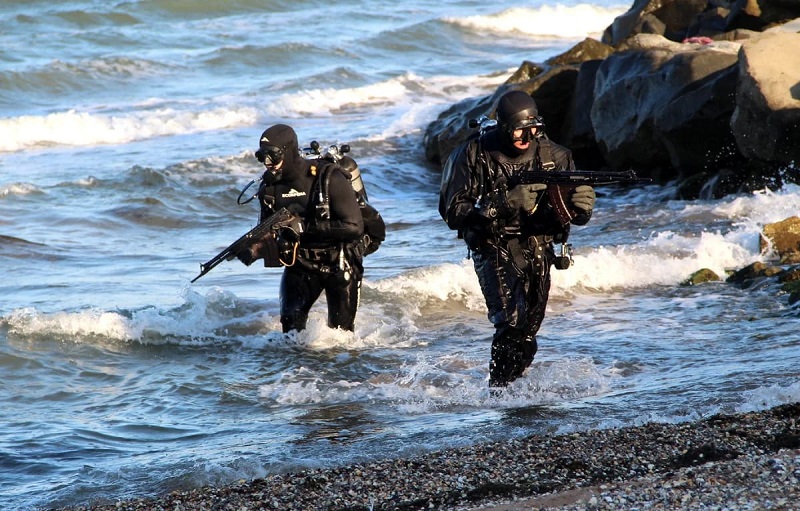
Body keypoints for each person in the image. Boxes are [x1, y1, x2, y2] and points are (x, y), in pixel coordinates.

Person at [439, 90, 596, 388]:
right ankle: (498, 392)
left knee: (528, 332)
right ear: (503, 126)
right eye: (518, 130)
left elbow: (570, 214)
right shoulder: (472, 155)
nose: (527, 136)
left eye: (533, 128)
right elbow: (453, 211)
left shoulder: (555, 157)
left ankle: (514, 389)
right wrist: (503, 203)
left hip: (539, 247)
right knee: (510, 323)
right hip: (493, 246)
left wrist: (582, 208)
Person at [236, 123, 368, 333]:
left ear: (288, 151)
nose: (268, 163)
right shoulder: (269, 188)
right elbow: (268, 229)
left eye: (273, 156)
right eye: (261, 156)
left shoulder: (329, 178)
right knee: (290, 333)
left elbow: (354, 227)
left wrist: (304, 227)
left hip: (340, 262)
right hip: (300, 265)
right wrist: (255, 248)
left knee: (342, 337)